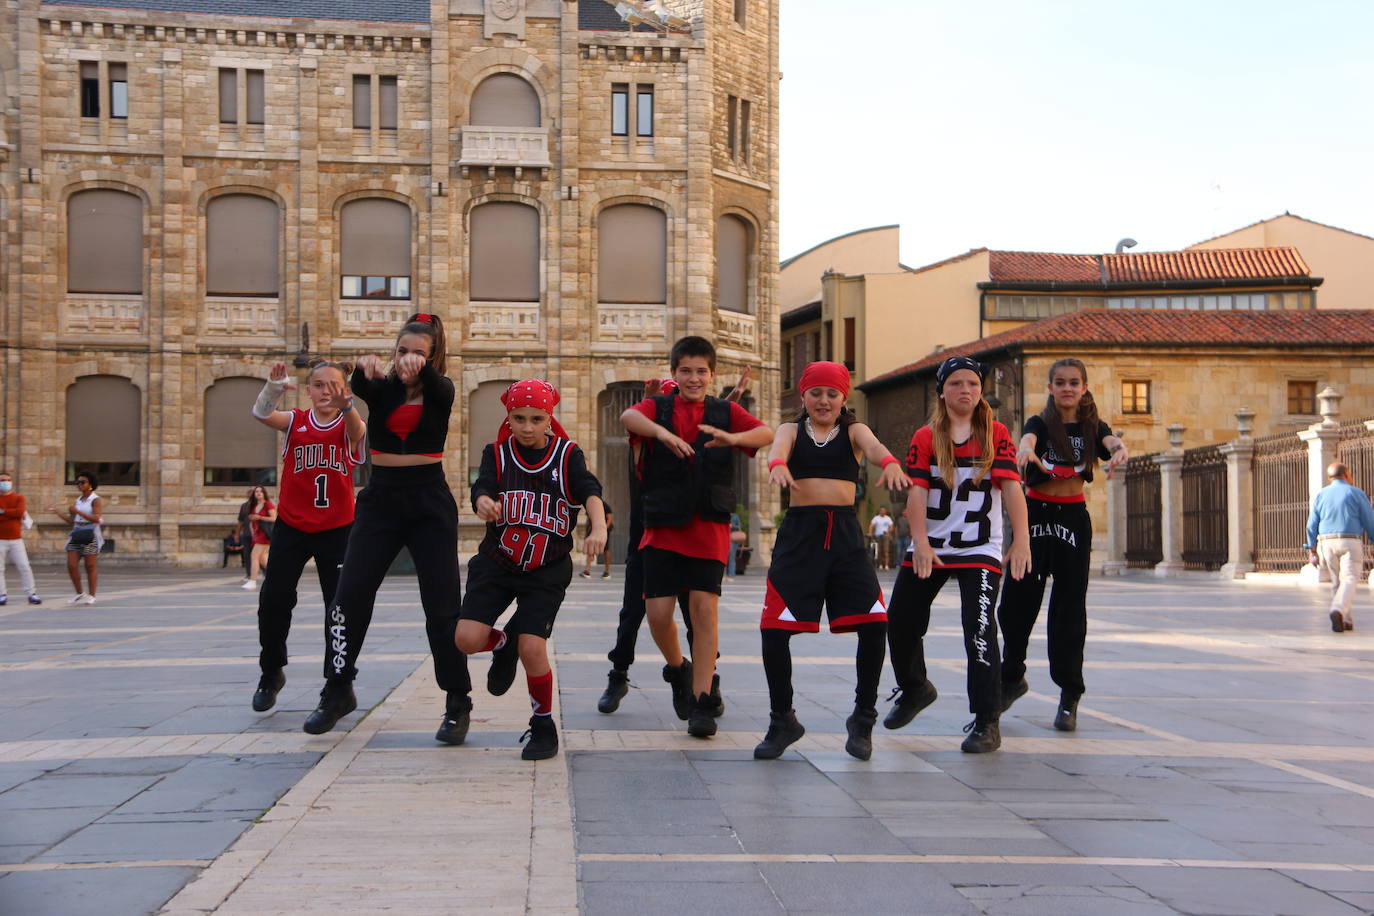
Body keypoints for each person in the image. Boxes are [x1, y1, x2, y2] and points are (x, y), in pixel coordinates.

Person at [304, 312, 472, 744]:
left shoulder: (442, 389)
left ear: (434, 359)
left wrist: (422, 372)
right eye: (402, 351)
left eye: (419, 353)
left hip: (429, 502)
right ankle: (338, 687)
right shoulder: (382, 390)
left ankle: (457, 701)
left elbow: (437, 386)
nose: (408, 359)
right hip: (380, 501)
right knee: (347, 599)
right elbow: (357, 381)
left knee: (442, 608)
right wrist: (364, 365)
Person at [753, 361, 910, 761]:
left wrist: (889, 462)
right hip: (799, 536)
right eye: (816, 392)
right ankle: (782, 718)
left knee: (875, 624)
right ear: (803, 396)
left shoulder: (853, 430)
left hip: (844, 536)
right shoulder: (791, 429)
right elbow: (778, 450)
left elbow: (875, 448)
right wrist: (777, 466)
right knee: (774, 629)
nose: (824, 400)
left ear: (844, 398)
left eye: (832, 393)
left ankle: (863, 717)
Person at [620, 336, 773, 737]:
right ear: (674, 373)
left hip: (708, 525)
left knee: (704, 612)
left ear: (712, 374)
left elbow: (766, 434)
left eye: (701, 371)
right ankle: (677, 668)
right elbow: (628, 419)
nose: (693, 377)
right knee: (657, 616)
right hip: (664, 525)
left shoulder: (726, 411)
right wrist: (661, 433)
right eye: (685, 370)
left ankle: (703, 701)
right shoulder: (658, 407)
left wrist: (735, 439)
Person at [884, 356, 1030, 753]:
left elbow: (1013, 489)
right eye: (956, 384)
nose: (965, 390)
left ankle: (986, 721)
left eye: (972, 384)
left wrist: (1021, 541)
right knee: (899, 621)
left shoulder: (996, 433)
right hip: (931, 544)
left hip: (979, 547)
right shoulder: (926, 437)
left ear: (981, 391)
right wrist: (922, 543)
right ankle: (915, 688)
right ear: (942, 391)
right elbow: (915, 493)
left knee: (980, 631)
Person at [455, 380, 607, 759]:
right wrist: (485, 501)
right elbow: (482, 486)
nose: (526, 426)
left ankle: (543, 724)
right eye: (519, 418)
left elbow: (589, 489)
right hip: (498, 561)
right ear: (508, 417)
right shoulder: (497, 453)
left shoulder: (567, 454)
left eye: (536, 419)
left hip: (547, 568)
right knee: (466, 639)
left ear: (549, 420)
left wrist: (599, 526)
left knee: (533, 647)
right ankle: (502, 645)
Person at [996, 358, 1127, 732]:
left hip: (1072, 520)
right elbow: (1028, 441)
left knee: (1069, 613)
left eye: (1074, 382)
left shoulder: (1091, 427)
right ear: (1050, 388)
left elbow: (1111, 441)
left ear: (1084, 387)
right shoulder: (1039, 423)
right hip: (1035, 516)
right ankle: (1011, 677)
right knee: (1017, 603)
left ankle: (1069, 696)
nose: (1067, 388)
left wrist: (1120, 449)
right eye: (1060, 382)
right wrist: (1025, 451)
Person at [246, 360, 366, 713]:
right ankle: (271, 672)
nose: (325, 389)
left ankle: (338, 681)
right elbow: (260, 413)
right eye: (317, 384)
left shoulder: (348, 423)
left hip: (338, 527)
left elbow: (357, 430)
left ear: (345, 390)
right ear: (308, 389)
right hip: (293, 526)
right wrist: (272, 387)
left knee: (339, 608)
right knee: (274, 600)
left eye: (333, 384)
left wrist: (348, 406)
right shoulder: (295, 421)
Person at [596, 378, 711, 717]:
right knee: (632, 612)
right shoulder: (643, 442)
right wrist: (651, 403)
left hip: (688, 539)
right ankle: (618, 676)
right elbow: (633, 419)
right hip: (645, 540)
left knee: (696, 615)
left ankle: (706, 680)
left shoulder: (692, 445)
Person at [1305, 461, 1374, 633]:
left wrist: (1312, 549)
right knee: (1350, 578)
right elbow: (1369, 519)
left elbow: (1311, 524)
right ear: (1347, 474)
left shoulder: (1321, 495)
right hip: (1350, 541)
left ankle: (1345, 621)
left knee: (1337, 581)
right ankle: (1338, 609)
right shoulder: (1356, 493)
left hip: (1326, 542)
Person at [48, 471, 103, 605]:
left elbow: (96, 518)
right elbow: (71, 520)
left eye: (82, 482)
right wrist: (57, 512)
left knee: (90, 566)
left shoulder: (96, 500)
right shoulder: (78, 500)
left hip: (90, 533)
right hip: (77, 533)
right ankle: (79, 593)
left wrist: (77, 511)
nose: (79, 485)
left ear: (90, 484)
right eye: (77, 482)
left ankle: (92, 595)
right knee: (71, 565)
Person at [0, 472, 41, 606]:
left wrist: (4, 512)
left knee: (24, 566)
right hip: (0, 539)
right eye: (2, 480)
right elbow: (16, 513)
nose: (5, 482)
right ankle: (2, 594)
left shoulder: (19, 497)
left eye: (7, 480)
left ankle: (32, 593)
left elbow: (20, 512)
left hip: (16, 539)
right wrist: (12, 513)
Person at [242, 485, 277, 590]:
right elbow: (251, 519)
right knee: (262, 559)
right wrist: (252, 527)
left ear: (264, 493)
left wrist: (260, 517)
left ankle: (252, 581)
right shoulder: (254, 505)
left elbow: (274, 518)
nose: (258, 493)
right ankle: (278, 576)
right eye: (257, 491)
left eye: (261, 491)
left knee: (254, 556)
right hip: (256, 533)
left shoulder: (268, 504)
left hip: (265, 534)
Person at [580, 502, 614, 578]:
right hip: (592, 529)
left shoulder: (605, 505)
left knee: (606, 550)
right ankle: (587, 570)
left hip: (603, 531)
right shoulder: (591, 504)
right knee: (590, 549)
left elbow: (610, 518)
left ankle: (607, 571)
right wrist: (587, 530)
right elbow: (589, 518)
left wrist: (604, 529)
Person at [726, 512, 744, 580]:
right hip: (726, 538)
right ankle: (728, 574)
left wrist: (731, 526)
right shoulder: (725, 515)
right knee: (727, 557)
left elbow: (739, 526)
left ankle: (731, 575)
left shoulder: (735, 516)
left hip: (733, 539)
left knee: (731, 557)